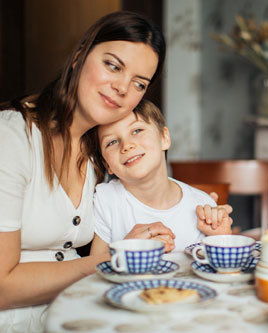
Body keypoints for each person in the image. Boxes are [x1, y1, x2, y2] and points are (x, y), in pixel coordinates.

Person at [0, 11, 231, 332]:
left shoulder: (98, 152)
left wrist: (203, 214)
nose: (123, 87)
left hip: (81, 312)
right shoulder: (11, 137)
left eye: (139, 83)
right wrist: (111, 259)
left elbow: (149, 193)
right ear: (79, 56)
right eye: (113, 65)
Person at [88, 100, 232, 254]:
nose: (127, 145)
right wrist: (127, 249)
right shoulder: (106, 200)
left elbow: (219, 270)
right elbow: (93, 270)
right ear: (107, 164)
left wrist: (222, 239)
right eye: (112, 142)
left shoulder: (203, 206)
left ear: (164, 138)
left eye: (136, 131)